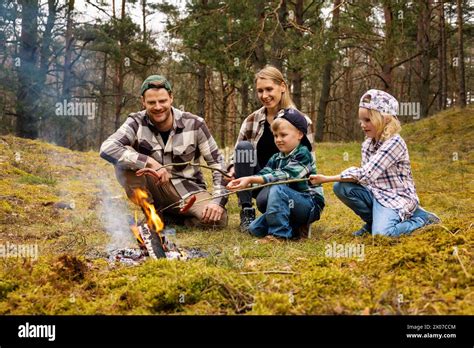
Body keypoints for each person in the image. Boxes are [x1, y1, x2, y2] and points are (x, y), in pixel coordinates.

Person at [100, 75, 228, 228]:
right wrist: (149, 162)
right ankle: (152, 214)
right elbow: (107, 147)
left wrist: (217, 201)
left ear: (171, 98)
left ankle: (169, 218)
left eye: (162, 101)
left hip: (188, 191)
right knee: (125, 156)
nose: (158, 107)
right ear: (143, 102)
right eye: (151, 102)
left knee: (217, 221)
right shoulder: (135, 122)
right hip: (154, 188)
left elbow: (218, 163)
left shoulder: (195, 124)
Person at [309, 89, 440, 237]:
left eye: (368, 120)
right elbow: (364, 180)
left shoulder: (395, 142)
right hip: (377, 194)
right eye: (361, 120)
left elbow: (367, 174)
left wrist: (326, 178)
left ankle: (421, 220)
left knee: (382, 234)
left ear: (384, 119)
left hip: (395, 198)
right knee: (341, 187)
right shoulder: (367, 144)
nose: (362, 125)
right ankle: (372, 222)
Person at [227, 65, 315, 232]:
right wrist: (233, 169)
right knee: (244, 147)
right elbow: (236, 156)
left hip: (288, 184)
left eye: (269, 89)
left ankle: (287, 217)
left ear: (282, 87)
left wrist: (312, 204)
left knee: (265, 200)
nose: (264, 95)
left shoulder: (301, 121)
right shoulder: (251, 120)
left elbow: (309, 164)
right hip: (259, 179)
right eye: (260, 91)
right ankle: (246, 210)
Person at [227, 108, 325, 243]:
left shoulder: (303, 154)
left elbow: (285, 175)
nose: (278, 140)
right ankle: (295, 227)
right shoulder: (276, 157)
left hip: (309, 205)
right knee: (254, 228)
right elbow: (265, 173)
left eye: (283, 135)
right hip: (287, 202)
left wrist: (251, 178)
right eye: (275, 135)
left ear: (299, 134)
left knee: (277, 188)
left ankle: (279, 235)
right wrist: (246, 183)